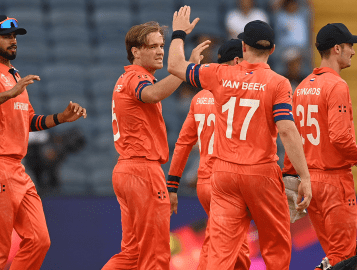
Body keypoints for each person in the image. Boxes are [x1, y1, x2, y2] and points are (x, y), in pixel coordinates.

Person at [168, 7, 312, 269]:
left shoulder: (219, 74)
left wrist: (178, 33)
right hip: (261, 173)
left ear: (243, 46)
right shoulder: (278, 83)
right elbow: (287, 131)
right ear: (272, 49)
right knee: (276, 245)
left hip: (223, 175)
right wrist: (304, 176)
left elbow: (175, 66)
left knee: (220, 253)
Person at [0, 15, 87, 269]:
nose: (13, 41)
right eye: (6, 36)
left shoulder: (13, 75)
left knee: (39, 240)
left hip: (16, 168)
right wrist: (7, 93)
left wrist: (61, 118)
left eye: (14, 36)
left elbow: (29, 121)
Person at [281, 23, 357, 270]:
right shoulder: (337, 85)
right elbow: (340, 139)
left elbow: (292, 137)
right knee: (344, 259)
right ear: (337, 48)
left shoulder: (302, 86)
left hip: (309, 182)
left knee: (334, 256)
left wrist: (290, 177)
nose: (353, 51)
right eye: (350, 46)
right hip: (334, 183)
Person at [103, 21, 207, 269]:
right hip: (143, 172)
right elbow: (151, 94)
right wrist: (183, 69)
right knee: (156, 253)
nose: (160, 51)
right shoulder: (137, 77)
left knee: (132, 254)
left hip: (128, 170)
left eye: (162, 46)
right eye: (153, 47)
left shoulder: (127, 78)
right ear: (135, 51)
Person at [168, 39, 250, 270]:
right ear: (236, 61)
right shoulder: (241, 96)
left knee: (227, 244)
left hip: (205, 182)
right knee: (227, 249)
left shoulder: (200, 97)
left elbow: (183, 143)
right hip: (229, 183)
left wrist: (172, 184)